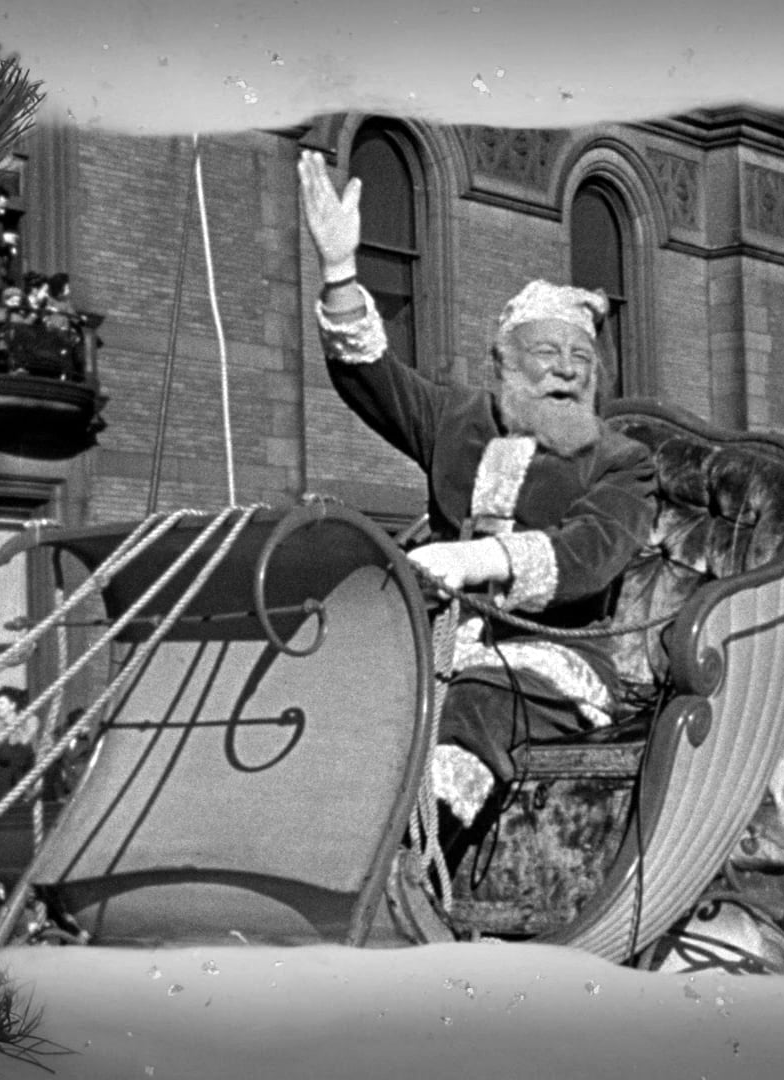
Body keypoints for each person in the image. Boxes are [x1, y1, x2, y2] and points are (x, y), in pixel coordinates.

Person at [297, 149, 658, 827]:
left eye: (581, 358)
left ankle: (420, 861)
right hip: (433, 646)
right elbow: (370, 375)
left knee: (473, 704)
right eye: (546, 353)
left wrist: (471, 560)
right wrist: (340, 269)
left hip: (553, 663)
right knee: (336, 689)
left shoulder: (622, 461)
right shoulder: (456, 420)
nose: (567, 371)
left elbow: (590, 554)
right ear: (506, 364)